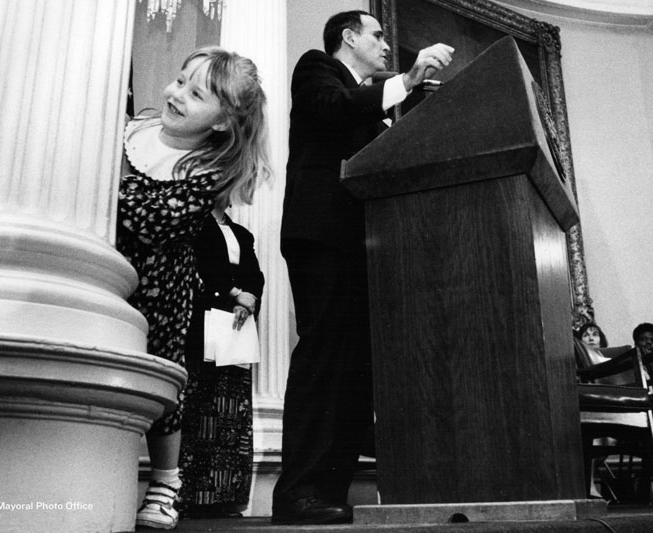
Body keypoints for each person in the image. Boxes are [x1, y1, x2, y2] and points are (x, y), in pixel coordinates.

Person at [274, 10, 454, 526]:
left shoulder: (371, 109)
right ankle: (296, 493)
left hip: (363, 246)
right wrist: (408, 79)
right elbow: (334, 110)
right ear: (348, 38)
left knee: (355, 375)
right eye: (376, 35)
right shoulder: (316, 70)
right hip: (322, 237)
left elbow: (387, 150)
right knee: (324, 363)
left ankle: (328, 491)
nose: (384, 44)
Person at [116, 46, 270, 530]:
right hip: (109, 272)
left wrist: (115, 187)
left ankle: (165, 481)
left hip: (162, 288)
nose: (176, 94)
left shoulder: (205, 172)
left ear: (222, 122)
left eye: (196, 92)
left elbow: (149, 222)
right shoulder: (131, 131)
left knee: (164, 383)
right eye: (180, 80)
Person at [178, 206, 264, 517]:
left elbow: (255, 274)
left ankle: (228, 496)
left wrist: (249, 299)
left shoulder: (242, 233)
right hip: (203, 322)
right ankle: (193, 495)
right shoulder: (195, 225)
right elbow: (202, 265)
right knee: (202, 402)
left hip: (235, 326)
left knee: (233, 407)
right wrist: (234, 292)